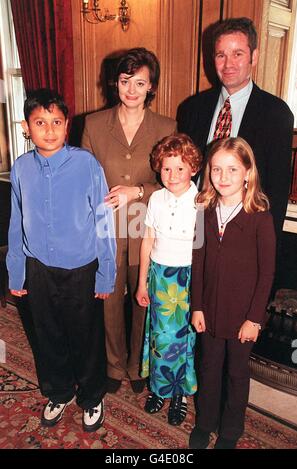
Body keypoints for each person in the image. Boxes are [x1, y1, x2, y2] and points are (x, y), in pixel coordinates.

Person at [6, 88, 116, 432]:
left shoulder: (85, 164)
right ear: (27, 127)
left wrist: (106, 273)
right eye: (40, 122)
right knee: (48, 334)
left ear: (67, 125)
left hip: (80, 270)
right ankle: (59, 390)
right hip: (38, 268)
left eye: (56, 121)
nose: (49, 130)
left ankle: (92, 395)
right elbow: (15, 220)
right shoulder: (21, 168)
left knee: (85, 336)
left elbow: (103, 220)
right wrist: (16, 271)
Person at [82, 47, 176, 394]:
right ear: (115, 83)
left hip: (147, 225)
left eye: (140, 82)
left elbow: (173, 181)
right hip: (104, 226)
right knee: (107, 298)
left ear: (151, 87)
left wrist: (136, 190)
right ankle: (113, 364)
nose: (132, 90)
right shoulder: (93, 123)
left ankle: (139, 367)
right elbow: (85, 178)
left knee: (143, 297)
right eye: (125, 81)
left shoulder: (167, 126)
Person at [189, 137, 276, 449]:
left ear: (247, 173)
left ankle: (230, 431)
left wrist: (254, 319)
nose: (223, 177)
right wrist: (196, 307)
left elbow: (267, 274)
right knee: (209, 369)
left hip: (243, 318)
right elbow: (197, 264)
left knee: (236, 375)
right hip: (209, 314)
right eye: (216, 170)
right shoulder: (205, 213)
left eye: (231, 170)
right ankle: (205, 423)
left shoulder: (260, 218)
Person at [177, 17, 294, 243]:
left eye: (237, 54)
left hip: (244, 236)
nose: (228, 64)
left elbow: (276, 194)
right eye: (221, 55)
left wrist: (265, 248)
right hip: (191, 227)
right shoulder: (191, 109)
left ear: (254, 56)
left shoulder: (276, 115)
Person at [136, 134, 202, 426]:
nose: (172, 175)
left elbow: (203, 250)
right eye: (166, 168)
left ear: (193, 169)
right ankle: (160, 388)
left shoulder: (201, 201)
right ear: (158, 169)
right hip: (159, 277)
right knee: (160, 339)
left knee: (183, 340)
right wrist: (141, 282)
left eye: (180, 168)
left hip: (187, 278)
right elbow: (147, 240)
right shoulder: (156, 198)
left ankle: (180, 394)